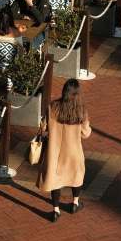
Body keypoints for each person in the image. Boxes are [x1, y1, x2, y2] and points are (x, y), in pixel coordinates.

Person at [38, 79, 92, 221]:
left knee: (56, 180)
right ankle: (75, 203)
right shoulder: (81, 110)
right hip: (73, 151)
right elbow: (86, 134)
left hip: (54, 151)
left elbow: (43, 127)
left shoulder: (52, 107)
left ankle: (55, 211)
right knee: (76, 176)